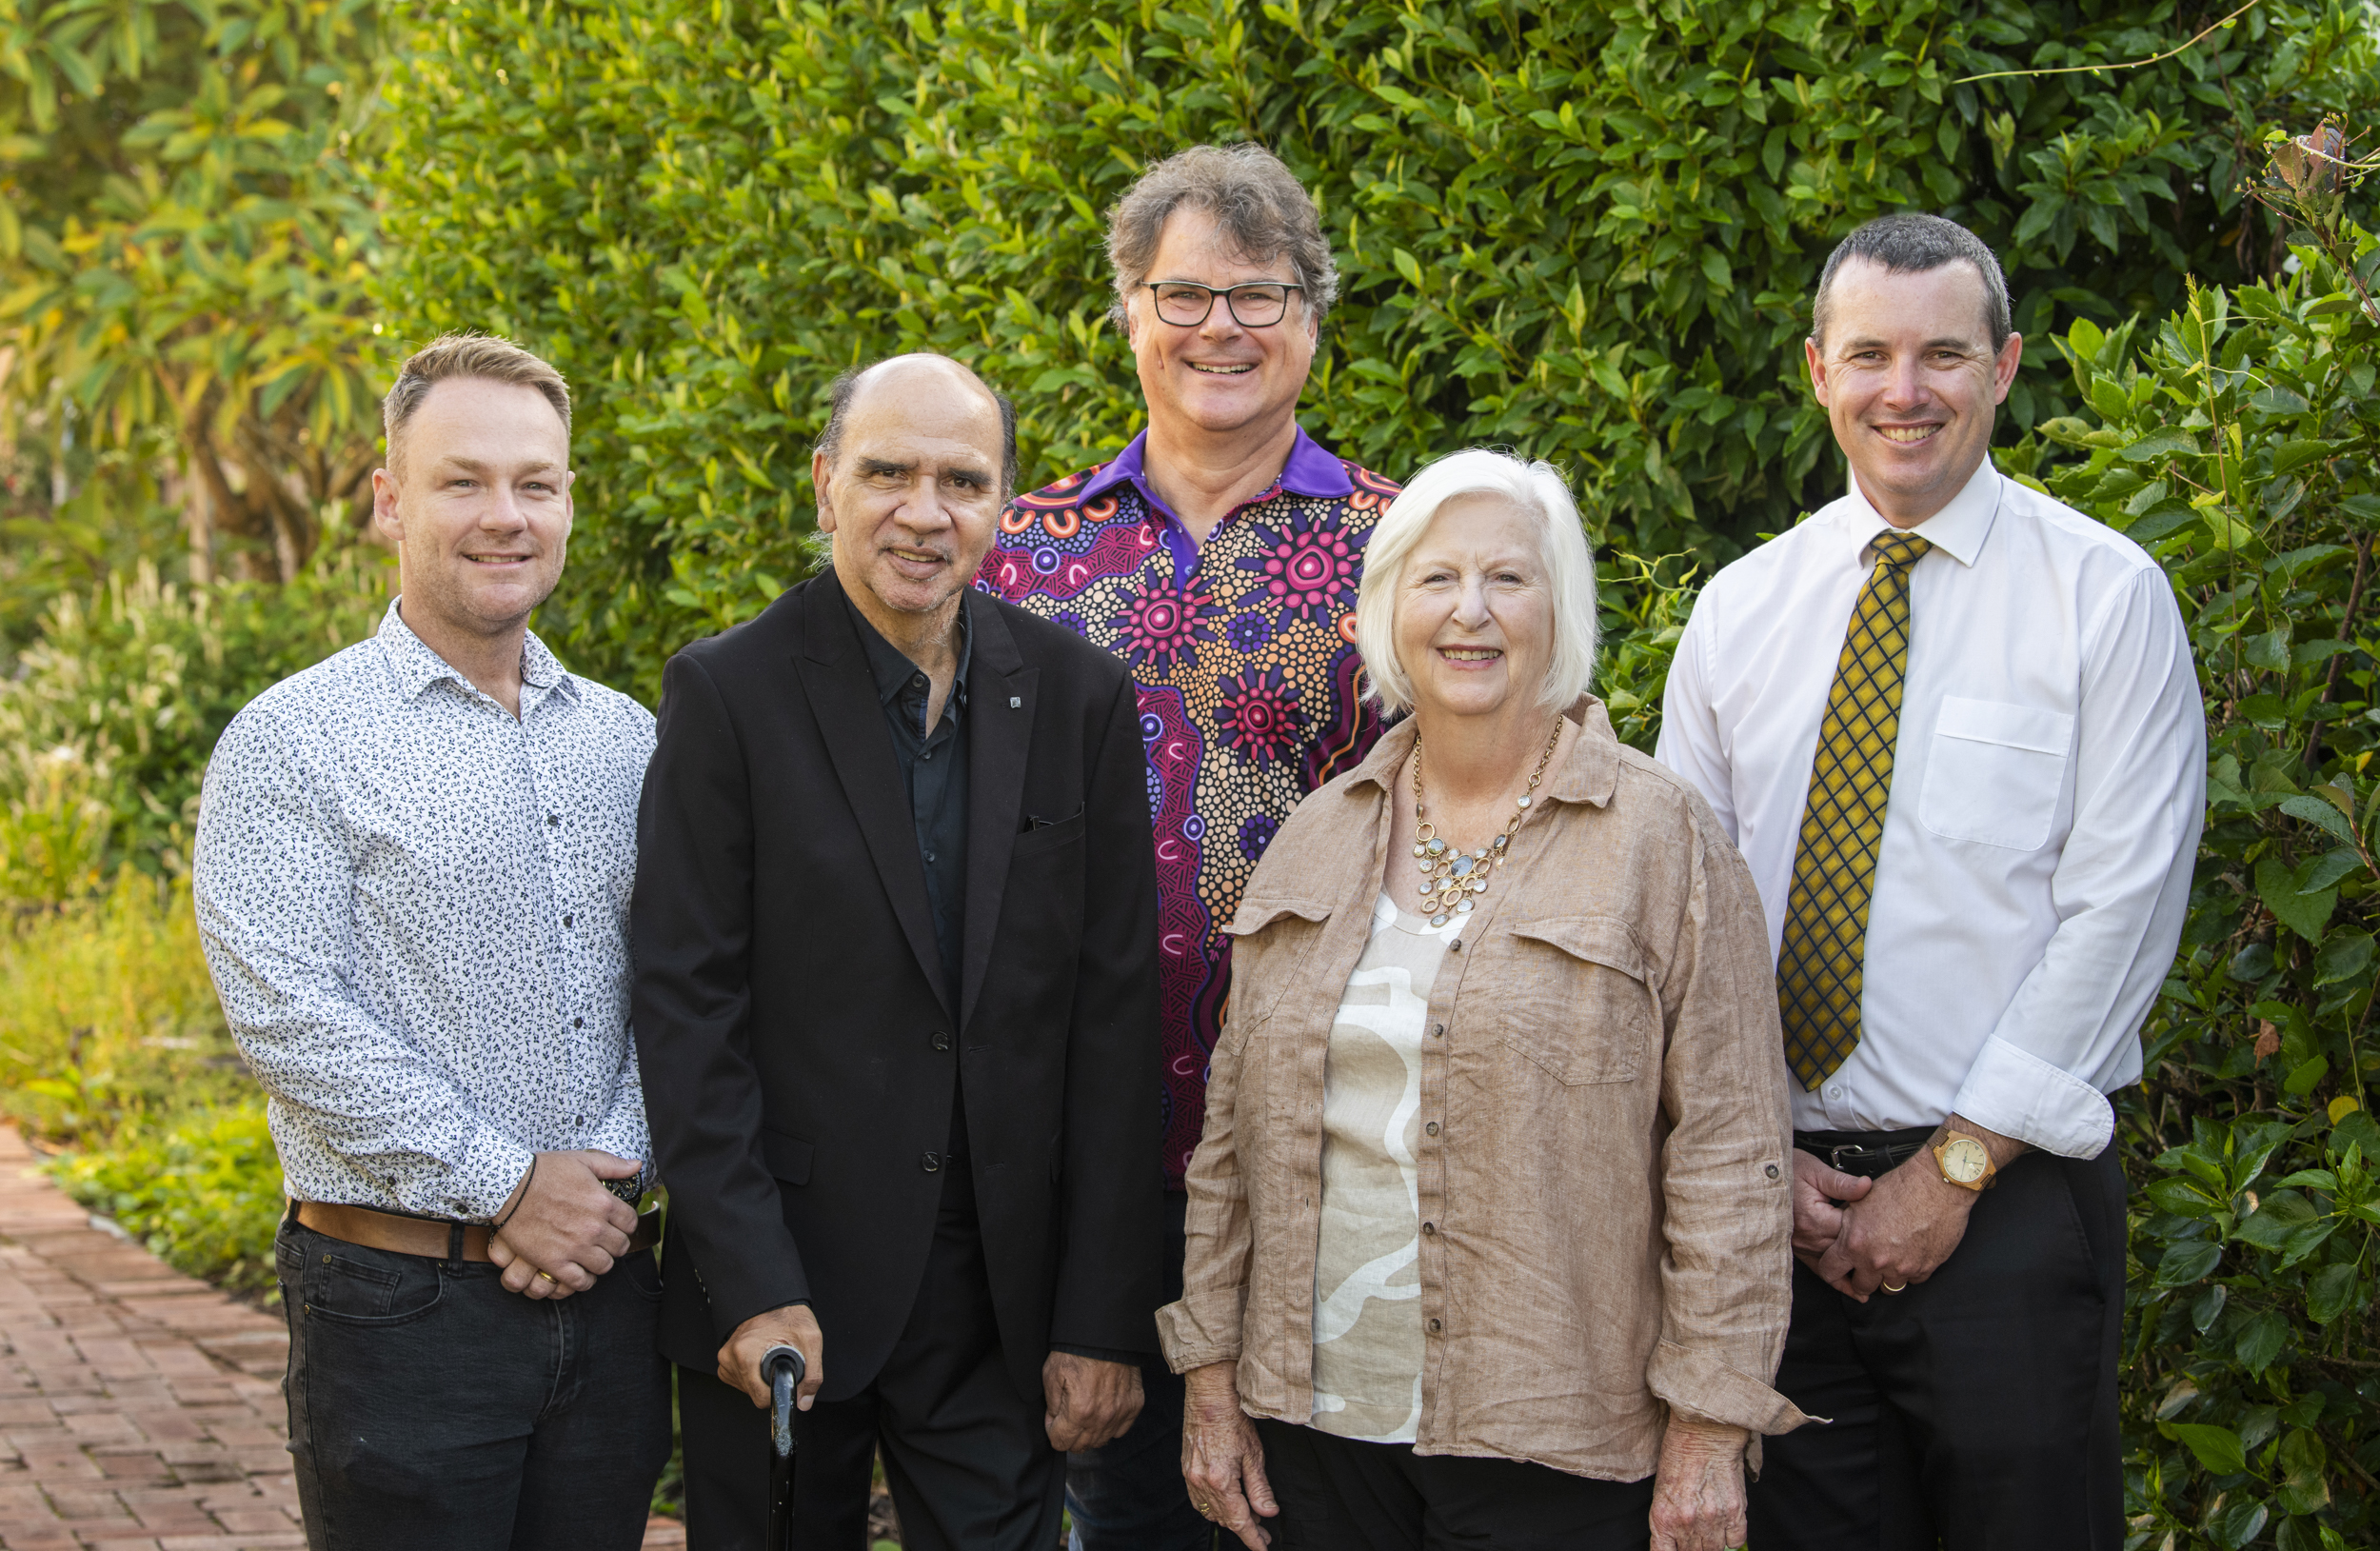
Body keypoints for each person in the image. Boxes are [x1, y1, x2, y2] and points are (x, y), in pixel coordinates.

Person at [1656, 212, 2206, 1548]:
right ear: (1817, 371)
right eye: (1871, 356)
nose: (1905, 391)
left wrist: (1953, 1170)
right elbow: (1688, 910)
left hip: (2008, 1213)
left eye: (1944, 354)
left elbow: (2121, 915)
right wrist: (1750, 1157)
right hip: (1780, 1217)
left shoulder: (2104, 598)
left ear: (2006, 367)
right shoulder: (1740, 609)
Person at [1163, 447, 1805, 1551]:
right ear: (1386, 611)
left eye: (1508, 578)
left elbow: (1729, 1152)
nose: (1470, 613)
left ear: (1560, 610)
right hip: (1314, 1427)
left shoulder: (1661, 839)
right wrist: (1211, 1376)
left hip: (1555, 1430)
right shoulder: (1314, 838)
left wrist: (1710, 1425)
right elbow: (1231, 1144)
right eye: (1435, 578)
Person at [633, 352, 1166, 1550]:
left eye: (962, 482)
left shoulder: (1078, 695)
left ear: (1003, 508)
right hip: (782, 1295)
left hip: (1002, 1312)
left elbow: (1113, 1023)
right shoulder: (726, 695)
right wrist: (749, 1276)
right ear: (827, 486)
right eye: (887, 473)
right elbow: (687, 1011)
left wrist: (1100, 1316)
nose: (923, 513)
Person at [978, 141, 1399, 1551]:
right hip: (1071, 1141)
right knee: (1121, 1500)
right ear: (1128, 311)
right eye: (1185, 293)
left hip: (1326, 1136)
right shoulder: (1020, 553)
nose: (1221, 325)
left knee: (1309, 1507)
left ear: (1313, 319)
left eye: (1260, 293)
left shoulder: (1399, 549)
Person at [192, 334, 669, 1550]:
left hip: (610, 1295)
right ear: (388, 503)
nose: (504, 515)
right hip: (397, 1311)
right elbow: (289, 1011)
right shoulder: (293, 738)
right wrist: (511, 1185)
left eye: (536, 483)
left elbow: (686, 982)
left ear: (569, 502)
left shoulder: (629, 742)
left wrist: (604, 1179)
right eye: (463, 481)